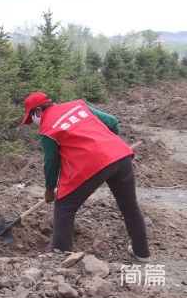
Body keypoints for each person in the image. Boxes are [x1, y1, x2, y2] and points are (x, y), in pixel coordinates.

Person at [21, 92, 150, 262]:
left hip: (94, 164)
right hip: (120, 155)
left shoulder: (48, 129)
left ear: (38, 111)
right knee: (129, 206)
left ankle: (59, 257)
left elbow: (51, 163)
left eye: (32, 117)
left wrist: (50, 189)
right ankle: (142, 253)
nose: (35, 123)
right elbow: (112, 121)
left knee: (64, 206)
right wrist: (109, 146)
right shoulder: (78, 106)